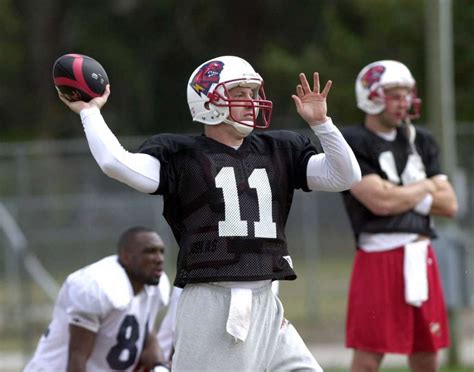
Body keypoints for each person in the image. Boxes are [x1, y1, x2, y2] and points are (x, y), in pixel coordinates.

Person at [58, 55, 361, 371]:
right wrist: (90, 113)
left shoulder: (279, 149)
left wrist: (322, 124)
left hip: (267, 300)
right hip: (215, 303)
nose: (252, 102)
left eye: (253, 93)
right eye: (239, 93)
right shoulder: (183, 156)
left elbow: (345, 176)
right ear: (208, 100)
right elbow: (115, 163)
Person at [340, 60, 458, 372]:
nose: (403, 101)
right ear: (371, 96)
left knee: (426, 353)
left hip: (421, 252)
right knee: (369, 357)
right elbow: (380, 202)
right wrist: (427, 187)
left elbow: (449, 204)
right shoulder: (353, 142)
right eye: (394, 94)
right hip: (378, 255)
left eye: (407, 93)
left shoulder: (422, 140)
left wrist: (401, 193)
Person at [24, 226, 171, 372]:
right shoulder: (97, 285)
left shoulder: (154, 284)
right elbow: (77, 357)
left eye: (161, 251)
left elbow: (145, 334)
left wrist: (159, 366)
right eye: (150, 252)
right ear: (126, 256)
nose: (159, 259)